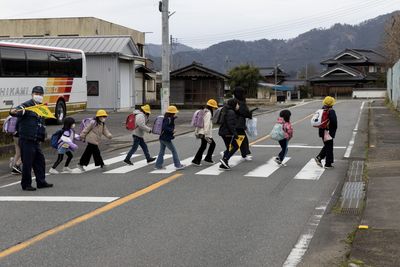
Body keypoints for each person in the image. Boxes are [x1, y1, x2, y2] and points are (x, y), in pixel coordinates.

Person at [9, 86, 53, 191]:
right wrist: (14, 111)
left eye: (40, 94)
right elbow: (18, 111)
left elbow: (41, 123)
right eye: (36, 93)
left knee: (40, 161)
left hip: (36, 139)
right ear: (32, 94)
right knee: (27, 163)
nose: (39, 95)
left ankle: (41, 182)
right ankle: (26, 184)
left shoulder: (41, 107)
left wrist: (43, 135)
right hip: (26, 139)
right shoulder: (26, 105)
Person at [155, 105, 185, 170]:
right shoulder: (168, 119)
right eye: (174, 112)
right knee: (174, 151)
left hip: (162, 137)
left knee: (161, 152)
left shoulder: (167, 118)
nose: (175, 113)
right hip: (166, 138)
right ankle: (178, 165)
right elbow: (164, 127)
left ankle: (158, 165)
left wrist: (174, 118)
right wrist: (172, 130)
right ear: (172, 113)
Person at [192, 99, 219, 166]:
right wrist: (206, 134)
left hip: (201, 132)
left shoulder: (204, 111)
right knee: (213, 144)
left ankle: (196, 160)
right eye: (214, 107)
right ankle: (207, 158)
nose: (214, 108)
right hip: (205, 133)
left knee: (203, 146)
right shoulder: (208, 113)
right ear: (212, 106)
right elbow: (206, 124)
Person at [315, 96, 338, 169]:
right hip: (328, 131)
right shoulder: (331, 111)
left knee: (327, 145)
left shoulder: (322, 110)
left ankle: (319, 157)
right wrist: (333, 130)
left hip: (322, 130)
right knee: (329, 147)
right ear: (332, 103)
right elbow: (334, 122)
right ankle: (328, 164)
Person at [218, 98, 240, 170]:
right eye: (237, 104)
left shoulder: (227, 110)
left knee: (228, 148)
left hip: (224, 132)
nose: (238, 106)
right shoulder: (231, 112)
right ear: (234, 104)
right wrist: (235, 134)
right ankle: (225, 160)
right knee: (235, 146)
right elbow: (230, 125)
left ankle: (224, 164)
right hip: (227, 132)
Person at [233, 86, 253, 161]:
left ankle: (243, 154)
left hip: (233, 123)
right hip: (239, 124)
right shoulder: (241, 102)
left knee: (238, 139)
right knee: (242, 140)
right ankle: (227, 153)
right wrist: (249, 114)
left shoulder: (234, 100)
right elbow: (244, 113)